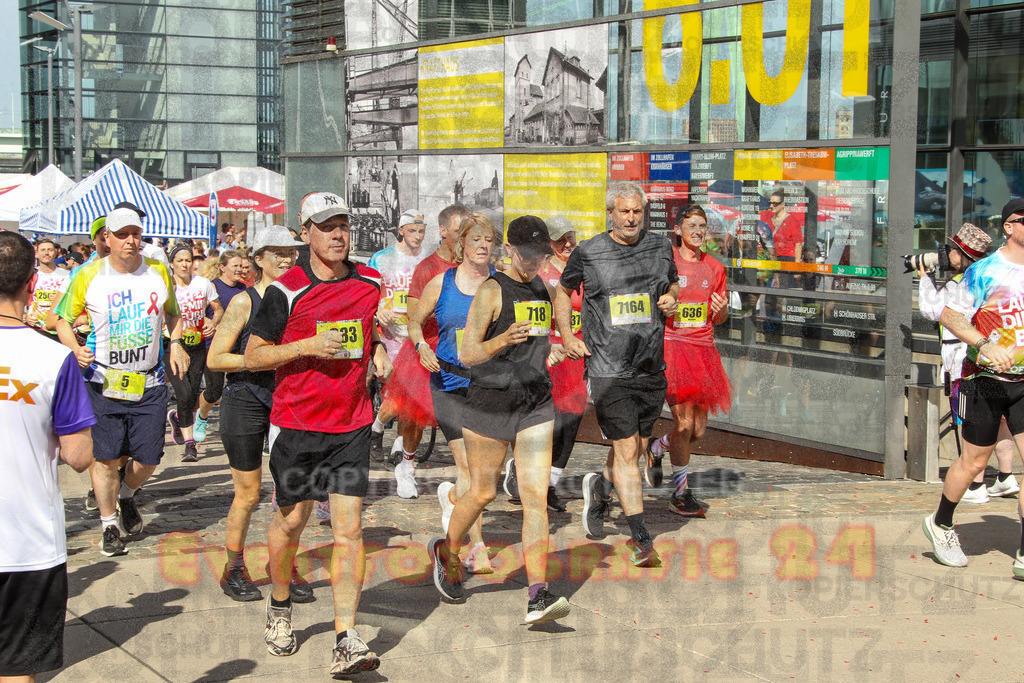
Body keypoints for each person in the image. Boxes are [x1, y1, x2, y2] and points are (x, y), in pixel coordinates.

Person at [245, 192, 391, 674]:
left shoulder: (371, 281)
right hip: (297, 425)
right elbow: (254, 356)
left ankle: (346, 635)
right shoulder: (283, 291)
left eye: (343, 225)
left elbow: (370, 330)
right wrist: (306, 345)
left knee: (350, 531)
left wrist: (378, 350)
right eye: (326, 226)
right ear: (304, 233)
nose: (337, 234)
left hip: (350, 424)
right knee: (291, 524)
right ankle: (281, 605)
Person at [430, 215, 570, 624]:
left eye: (541, 255)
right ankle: (448, 550)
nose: (534, 263)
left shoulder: (544, 284)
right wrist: (503, 339)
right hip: (488, 402)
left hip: (535, 403)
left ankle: (538, 594)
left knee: (534, 497)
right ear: (509, 250)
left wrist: (566, 338)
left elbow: (561, 297)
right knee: (482, 493)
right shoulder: (492, 290)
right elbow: (467, 353)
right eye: (527, 255)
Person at [54, 202, 189, 557]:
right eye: (123, 235)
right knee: (107, 458)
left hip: (150, 381)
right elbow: (61, 319)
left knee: (149, 459)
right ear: (107, 239)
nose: (131, 241)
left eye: (136, 234)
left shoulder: (158, 271)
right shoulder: (88, 274)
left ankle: (127, 495)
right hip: (103, 380)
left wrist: (176, 343)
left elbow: (173, 315)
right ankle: (109, 524)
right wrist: (73, 348)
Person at [555, 181, 678, 567]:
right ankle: (642, 538)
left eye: (637, 212)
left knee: (637, 448)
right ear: (611, 213)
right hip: (608, 367)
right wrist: (567, 335)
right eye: (623, 211)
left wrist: (673, 297)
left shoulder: (660, 246)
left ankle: (600, 488)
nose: (630, 218)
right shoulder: (589, 252)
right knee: (628, 452)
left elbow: (672, 282)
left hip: (650, 363)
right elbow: (562, 291)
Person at [0, 232, 95, 682]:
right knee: (17, 668)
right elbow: (79, 456)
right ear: (31, 285)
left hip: (26, 543)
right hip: (25, 543)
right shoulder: (55, 358)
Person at [924, 198, 1024, 576]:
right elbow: (950, 315)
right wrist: (985, 343)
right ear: (1009, 227)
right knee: (974, 462)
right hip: (985, 379)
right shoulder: (984, 272)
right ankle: (942, 523)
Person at [207, 225, 302, 602]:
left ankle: (282, 565)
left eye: (291, 252)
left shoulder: (302, 297)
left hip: (288, 399)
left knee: (292, 493)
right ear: (258, 260)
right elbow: (216, 359)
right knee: (247, 493)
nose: (286, 259)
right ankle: (233, 568)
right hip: (245, 396)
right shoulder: (245, 301)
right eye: (276, 253)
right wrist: (261, 360)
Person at [409, 213, 495, 574]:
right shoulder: (442, 282)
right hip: (449, 383)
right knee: (469, 469)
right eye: (475, 240)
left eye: (488, 240)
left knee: (488, 472)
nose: (482, 246)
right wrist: (420, 346)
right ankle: (476, 546)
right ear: (461, 245)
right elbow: (414, 319)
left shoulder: (501, 283)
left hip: (490, 386)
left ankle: (451, 500)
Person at [916, 223, 1018, 503]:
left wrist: (924, 278)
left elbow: (932, 310)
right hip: (996, 365)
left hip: (964, 364)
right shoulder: (995, 275)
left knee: (968, 420)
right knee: (1002, 422)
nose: (945, 254)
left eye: (950, 250)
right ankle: (1006, 476)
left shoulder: (963, 281)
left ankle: (975, 486)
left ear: (961, 254)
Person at [644, 204, 731, 517]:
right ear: (678, 229)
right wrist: (663, 307)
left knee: (696, 432)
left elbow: (718, 317)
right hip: (673, 349)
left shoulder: (716, 269)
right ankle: (680, 493)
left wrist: (721, 311)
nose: (698, 231)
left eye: (702, 226)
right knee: (683, 422)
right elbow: (651, 301)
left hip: (703, 352)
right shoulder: (666, 260)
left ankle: (658, 447)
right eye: (691, 225)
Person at [387, 203, 471, 498]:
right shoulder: (428, 268)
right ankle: (406, 467)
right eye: (461, 232)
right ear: (445, 231)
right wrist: (422, 345)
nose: (466, 239)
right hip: (429, 350)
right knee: (415, 416)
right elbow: (414, 319)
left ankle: (470, 478)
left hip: (465, 351)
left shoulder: (474, 266)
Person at [520, 214, 587, 512]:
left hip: (575, 356)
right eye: (561, 239)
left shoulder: (584, 273)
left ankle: (550, 484)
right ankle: (529, 477)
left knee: (571, 420)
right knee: (549, 422)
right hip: (545, 356)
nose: (568, 244)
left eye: (571, 237)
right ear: (549, 243)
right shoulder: (539, 274)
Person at [366, 210, 428, 462]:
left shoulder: (428, 259)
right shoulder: (382, 258)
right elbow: (367, 292)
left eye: (421, 231)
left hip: (417, 336)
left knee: (412, 396)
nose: (417, 236)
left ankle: (399, 447)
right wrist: (378, 309)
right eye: (412, 231)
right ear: (401, 230)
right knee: (397, 394)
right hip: (389, 337)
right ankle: (376, 428)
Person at [164, 243, 224, 461]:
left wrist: (213, 322)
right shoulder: (166, 286)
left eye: (187, 260)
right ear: (171, 264)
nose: (184, 264)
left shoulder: (203, 284)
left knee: (193, 392)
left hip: (197, 344)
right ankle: (191, 446)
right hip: (171, 345)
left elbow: (218, 309)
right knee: (185, 393)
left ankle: (178, 419)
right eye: (179, 260)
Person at [193, 250, 246, 443]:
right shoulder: (212, 287)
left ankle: (236, 427)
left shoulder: (243, 289)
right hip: (212, 345)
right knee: (215, 391)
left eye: (241, 266)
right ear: (222, 267)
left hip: (236, 346)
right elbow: (196, 313)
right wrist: (209, 322)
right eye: (235, 266)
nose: (239, 269)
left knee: (238, 388)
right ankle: (201, 417)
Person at [27, 238, 70, 337]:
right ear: (36, 253)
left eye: (50, 250)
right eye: (43, 250)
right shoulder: (30, 275)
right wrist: (26, 316)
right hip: (35, 328)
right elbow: (22, 300)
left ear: (55, 252)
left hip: (58, 328)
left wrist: (60, 298)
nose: (46, 253)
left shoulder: (66, 275)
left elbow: (74, 299)